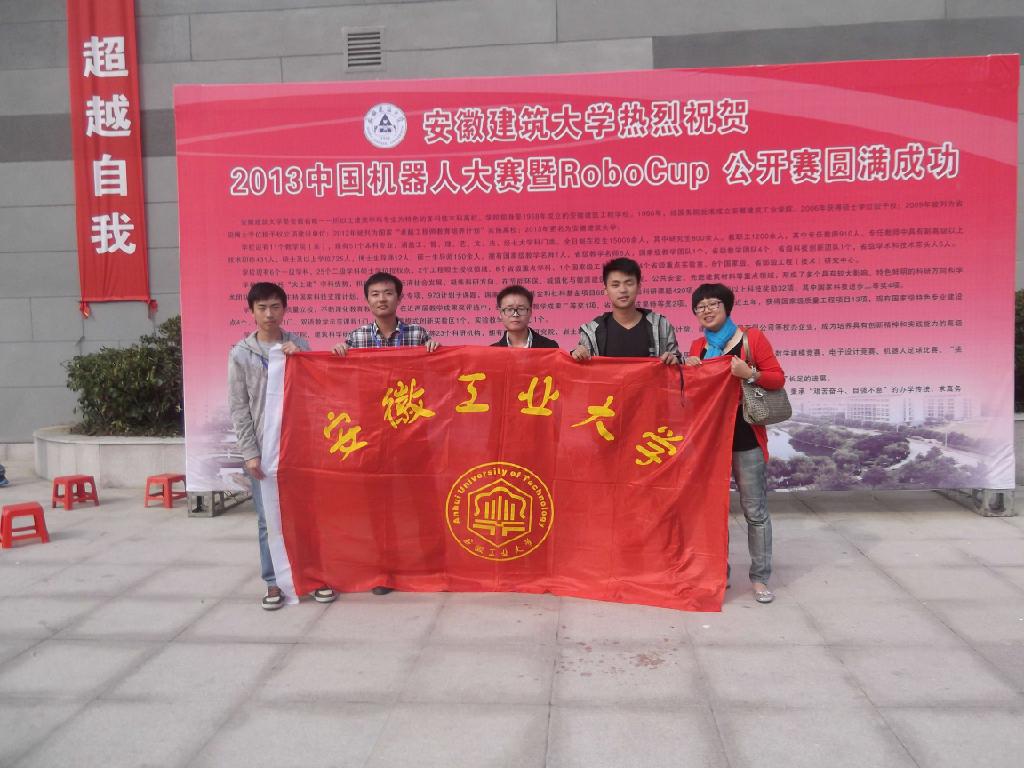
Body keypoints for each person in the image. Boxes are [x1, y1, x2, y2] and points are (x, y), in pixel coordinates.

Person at [229, 282, 337, 610]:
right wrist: (250, 453)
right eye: (262, 308)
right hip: (264, 449)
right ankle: (273, 581)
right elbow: (239, 406)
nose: (269, 314)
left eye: (275, 307)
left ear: (285, 309)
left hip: (298, 447)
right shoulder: (241, 354)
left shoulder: (298, 345)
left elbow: (316, 394)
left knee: (307, 516)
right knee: (268, 520)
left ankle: (315, 577)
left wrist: (300, 359)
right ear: (251, 312)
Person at [332, 271, 438, 594]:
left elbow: (439, 372)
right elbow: (339, 378)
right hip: (373, 435)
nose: (382, 299)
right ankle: (385, 570)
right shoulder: (356, 339)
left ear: (399, 298)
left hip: (413, 434)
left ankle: (430, 566)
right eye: (375, 294)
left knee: (422, 503)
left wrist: (436, 350)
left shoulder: (419, 334)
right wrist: (337, 355)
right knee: (381, 505)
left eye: (388, 293)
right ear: (367, 300)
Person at [683, 282, 786, 604]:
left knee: (755, 511)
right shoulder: (698, 346)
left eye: (713, 304)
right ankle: (719, 573)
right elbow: (692, 395)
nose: (707, 310)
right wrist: (689, 371)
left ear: (727, 307)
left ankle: (760, 578)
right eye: (700, 307)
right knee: (712, 511)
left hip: (745, 438)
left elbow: (777, 377)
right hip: (710, 441)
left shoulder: (752, 338)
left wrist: (749, 373)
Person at [570, 257, 679, 363]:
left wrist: (674, 360)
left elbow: (679, 365)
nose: (622, 290)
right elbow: (580, 368)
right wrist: (576, 355)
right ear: (605, 289)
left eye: (629, 283)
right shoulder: (592, 332)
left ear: (639, 286)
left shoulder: (661, 325)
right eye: (615, 285)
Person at [490, 285, 559, 348]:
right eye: (509, 309)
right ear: (500, 313)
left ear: (530, 312)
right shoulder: (493, 351)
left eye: (521, 309)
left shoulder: (550, 347)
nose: (515, 314)